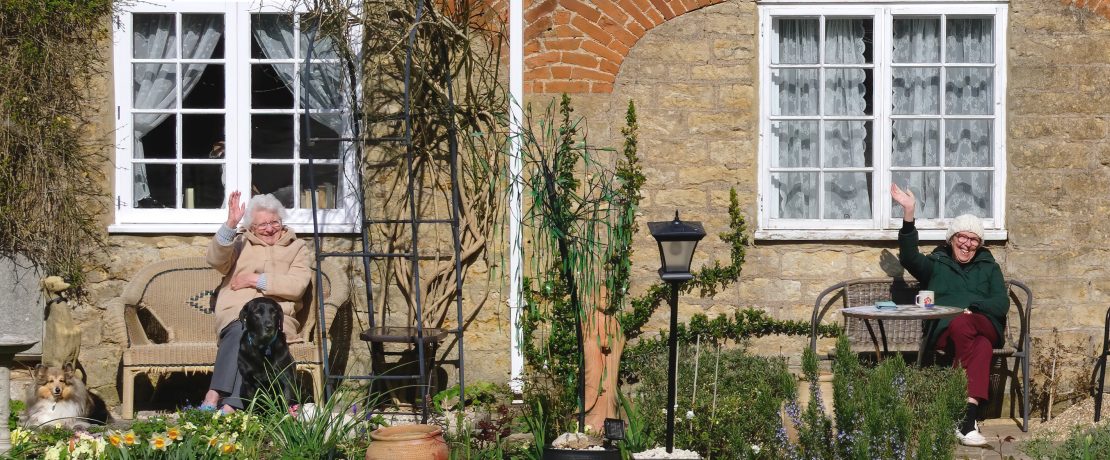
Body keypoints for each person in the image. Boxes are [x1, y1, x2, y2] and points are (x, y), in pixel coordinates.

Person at [890, 184, 1009, 447]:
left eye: (973, 239)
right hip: (946, 334)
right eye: (962, 237)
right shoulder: (936, 264)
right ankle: (967, 420)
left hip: (984, 322)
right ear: (952, 238)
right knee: (981, 346)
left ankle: (956, 408)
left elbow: (1001, 303)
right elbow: (909, 257)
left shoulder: (989, 267)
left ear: (979, 244)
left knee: (967, 323)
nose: (967, 244)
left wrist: (974, 309)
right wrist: (909, 212)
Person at [200, 191, 312, 413]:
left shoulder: (297, 248)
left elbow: (297, 285)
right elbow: (215, 261)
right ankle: (217, 397)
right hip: (237, 311)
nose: (269, 229)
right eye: (262, 225)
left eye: (274, 222)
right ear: (251, 227)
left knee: (258, 334)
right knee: (242, 328)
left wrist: (256, 280)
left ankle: (227, 404)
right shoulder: (240, 243)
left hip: (275, 316)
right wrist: (230, 224)